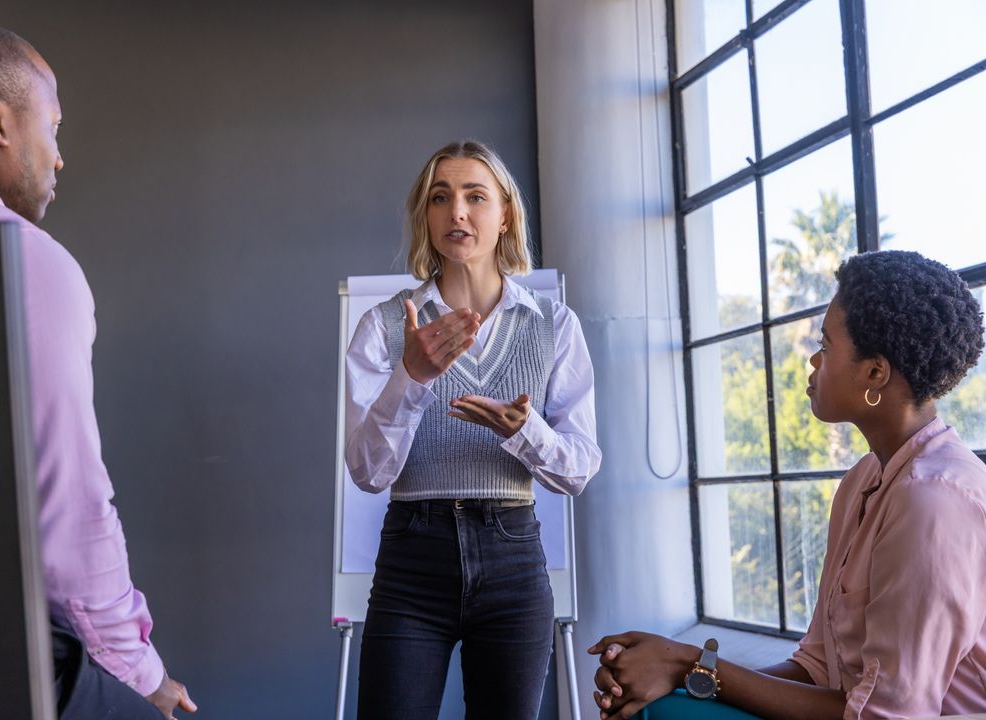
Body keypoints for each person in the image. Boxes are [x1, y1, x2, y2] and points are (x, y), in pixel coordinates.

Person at [0, 16, 197, 720]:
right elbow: (67, 513)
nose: (59, 157)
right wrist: (138, 674)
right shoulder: (20, 259)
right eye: (54, 127)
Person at [589, 250, 986, 719]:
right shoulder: (864, 478)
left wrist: (690, 662)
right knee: (655, 704)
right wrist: (677, 676)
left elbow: (885, 715)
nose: (813, 360)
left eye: (826, 344)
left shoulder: (933, 502)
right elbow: (820, 666)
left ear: (875, 373)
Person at [344, 139, 602, 718]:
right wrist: (410, 377)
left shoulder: (553, 326)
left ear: (505, 214)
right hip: (413, 557)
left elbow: (580, 468)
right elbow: (367, 472)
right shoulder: (384, 326)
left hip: (512, 561)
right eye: (440, 198)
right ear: (426, 216)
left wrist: (524, 430)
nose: (456, 212)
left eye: (475, 196)